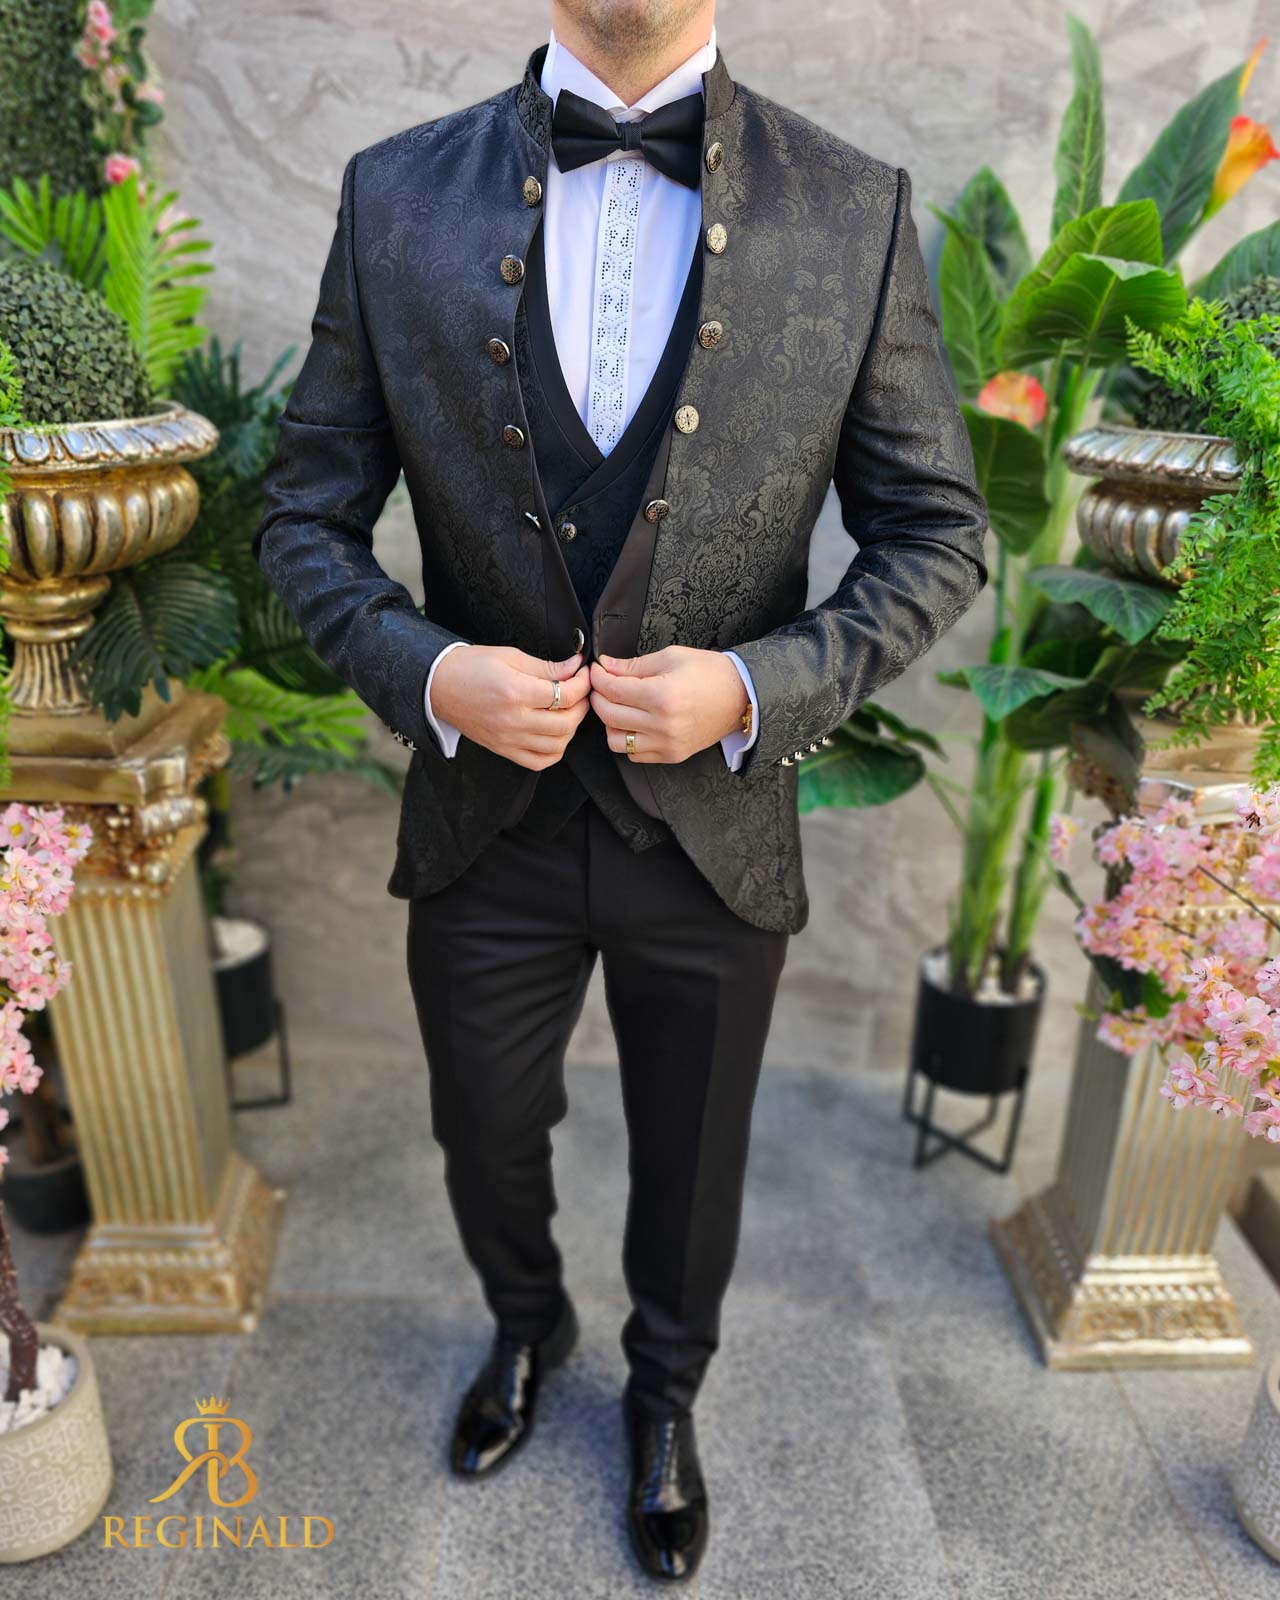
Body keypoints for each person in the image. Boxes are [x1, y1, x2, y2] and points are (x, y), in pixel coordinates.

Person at [254, 0, 989, 1581]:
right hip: (484, 819)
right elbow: (301, 516)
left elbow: (939, 534)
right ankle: (529, 1325)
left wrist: (757, 687)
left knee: (694, 1154)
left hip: (710, 829)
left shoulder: (850, 208)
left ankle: (666, 1396)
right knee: (481, 1129)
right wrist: (429, 671)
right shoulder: (396, 193)